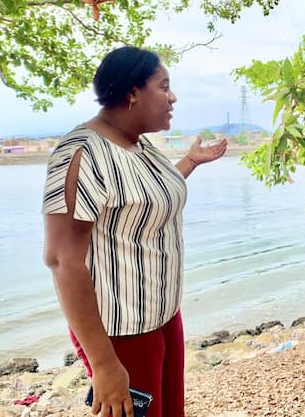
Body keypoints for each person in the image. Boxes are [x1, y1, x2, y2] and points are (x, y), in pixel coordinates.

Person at [42, 46, 227, 417]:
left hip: (163, 317)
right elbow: (62, 260)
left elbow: (145, 200)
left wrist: (190, 162)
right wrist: (105, 365)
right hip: (121, 333)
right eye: (164, 86)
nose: (173, 97)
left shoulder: (139, 145)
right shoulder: (81, 154)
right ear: (132, 93)